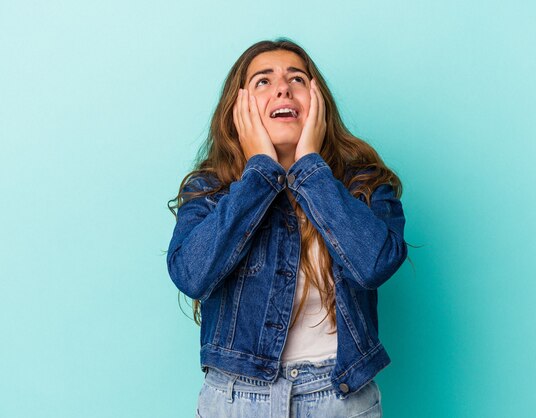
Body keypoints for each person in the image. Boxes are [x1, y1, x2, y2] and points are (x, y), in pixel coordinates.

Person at [166, 37, 408, 418]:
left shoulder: (364, 183)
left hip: (339, 399)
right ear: (239, 107)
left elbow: (373, 264)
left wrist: (309, 165)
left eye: (296, 78)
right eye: (263, 80)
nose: (282, 87)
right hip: (236, 400)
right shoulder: (209, 190)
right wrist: (260, 170)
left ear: (318, 101)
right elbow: (192, 275)